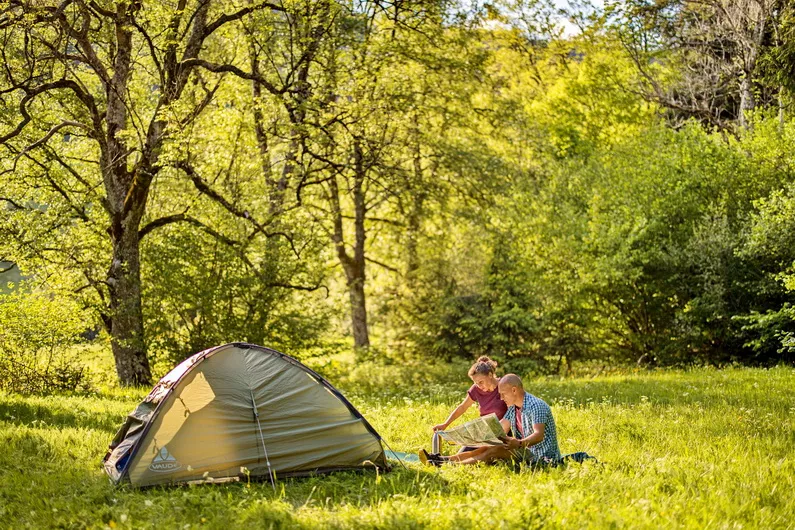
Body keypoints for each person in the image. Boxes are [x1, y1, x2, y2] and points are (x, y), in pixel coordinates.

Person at [419, 373, 561, 466]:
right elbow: (500, 428)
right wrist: (474, 436)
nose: (501, 398)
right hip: (525, 451)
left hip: (542, 458)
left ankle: (448, 465)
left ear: (514, 390)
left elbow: (538, 435)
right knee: (486, 447)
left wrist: (518, 443)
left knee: (493, 452)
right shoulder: (513, 408)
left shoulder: (536, 405)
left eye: (503, 394)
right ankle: (440, 459)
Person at [432, 356, 508, 434]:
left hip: (504, 431)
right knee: (465, 446)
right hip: (486, 431)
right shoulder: (476, 389)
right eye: (476, 383)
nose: (479, 386)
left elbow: (513, 412)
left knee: (482, 447)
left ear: (490, 375)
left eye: (481, 382)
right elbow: (463, 407)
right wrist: (445, 424)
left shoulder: (504, 385)